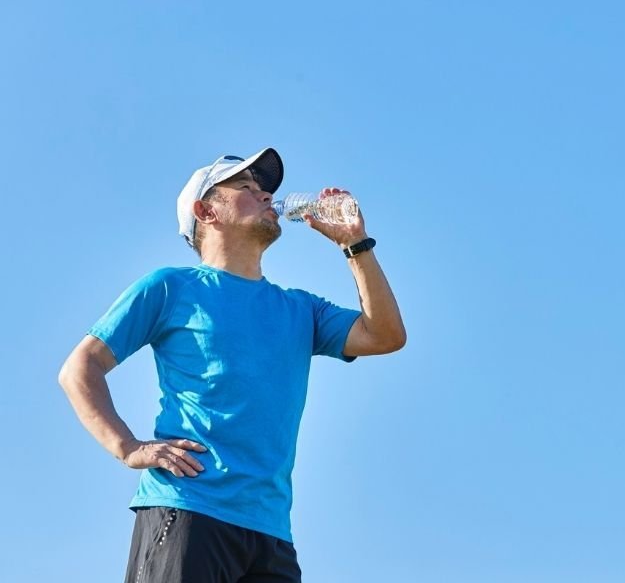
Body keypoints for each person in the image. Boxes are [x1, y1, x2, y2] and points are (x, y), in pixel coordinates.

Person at [58, 147, 406, 582]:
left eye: (264, 189)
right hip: (188, 509)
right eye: (245, 187)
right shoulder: (170, 287)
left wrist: (355, 245)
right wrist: (129, 447)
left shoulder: (301, 309)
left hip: (271, 533)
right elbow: (79, 369)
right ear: (206, 211)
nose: (264, 196)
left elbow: (385, 336)